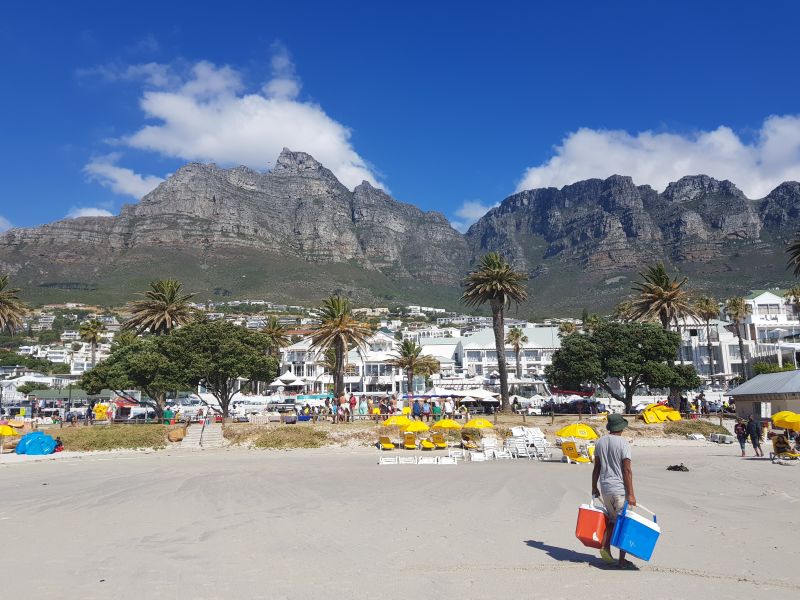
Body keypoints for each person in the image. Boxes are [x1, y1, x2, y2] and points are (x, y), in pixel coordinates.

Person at [591, 414, 637, 570]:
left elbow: (596, 467)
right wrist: (631, 493)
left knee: (612, 520)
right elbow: (627, 470)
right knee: (624, 524)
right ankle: (622, 561)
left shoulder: (600, 442)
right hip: (620, 490)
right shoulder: (623, 444)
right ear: (621, 428)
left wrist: (593, 487)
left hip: (605, 488)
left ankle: (605, 547)